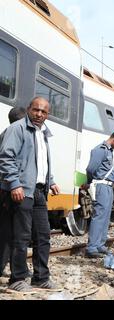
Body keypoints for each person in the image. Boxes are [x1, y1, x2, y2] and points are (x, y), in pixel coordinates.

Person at [0, 97, 61, 292]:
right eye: (36, 110)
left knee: (43, 236)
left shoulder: (43, 133)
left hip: (39, 191)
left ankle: (41, 277)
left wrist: (50, 181)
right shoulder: (17, 129)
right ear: (29, 109)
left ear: (47, 114)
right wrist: (15, 184)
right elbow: (6, 157)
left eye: (43, 112)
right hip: (22, 190)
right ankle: (17, 279)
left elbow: (40, 162)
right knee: (21, 236)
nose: (39, 114)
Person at [85, 130, 114, 258]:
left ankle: (100, 244)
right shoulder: (100, 149)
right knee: (99, 215)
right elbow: (90, 169)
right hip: (101, 185)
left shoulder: (108, 151)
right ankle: (92, 246)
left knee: (105, 217)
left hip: (108, 187)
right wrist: (89, 183)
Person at [0, 107, 27, 276]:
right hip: (7, 188)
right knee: (8, 231)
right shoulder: (13, 133)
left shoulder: (6, 132)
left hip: (5, 187)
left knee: (7, 230)